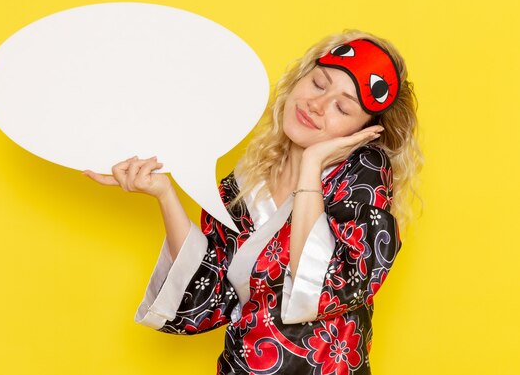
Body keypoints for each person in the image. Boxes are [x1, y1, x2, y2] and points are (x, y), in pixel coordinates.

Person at [82, 29, 423, 375]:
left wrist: (310, 167)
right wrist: (164, 193)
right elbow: (208, 297)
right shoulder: (249, 180)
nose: (316, 106)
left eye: (342, 107)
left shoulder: (364, 173)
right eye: (318, 84)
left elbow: (325, 287)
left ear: (362, 132)